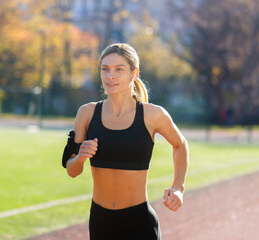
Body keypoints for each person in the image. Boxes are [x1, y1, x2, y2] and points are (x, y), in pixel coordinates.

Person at [62, 43, 189, 240]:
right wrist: (80, 157)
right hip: (100, 221)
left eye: (119, 69)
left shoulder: (153, 115)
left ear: (134, 73)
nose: (110, 76)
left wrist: (178, 188)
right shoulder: (86, 113)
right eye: (105, 69)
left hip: (139, 223)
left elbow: (180, 144)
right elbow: (72, 171)